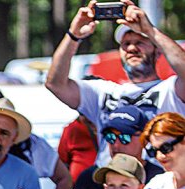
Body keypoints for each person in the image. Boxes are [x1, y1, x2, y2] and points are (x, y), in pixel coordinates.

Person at [46, 0, 185, 164]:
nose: (132, 48)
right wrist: (73, 35)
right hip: (110, 183)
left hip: (156, 184)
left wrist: (150, 31)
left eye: (140, 42)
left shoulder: (170, 90)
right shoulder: (103, 92)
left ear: (157, 51)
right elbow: (55, 84)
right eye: (126, 44)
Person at [71, 105, 163, 189]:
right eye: (110, 137)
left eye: (125, 137)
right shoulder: (90, 177)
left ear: (144, 139)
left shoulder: (160, 179)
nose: (116, 144)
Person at [59, 114, 98, 182]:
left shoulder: (106, 128)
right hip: (79, 182)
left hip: (106, 180)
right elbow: (62, 159)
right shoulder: (71, 129)